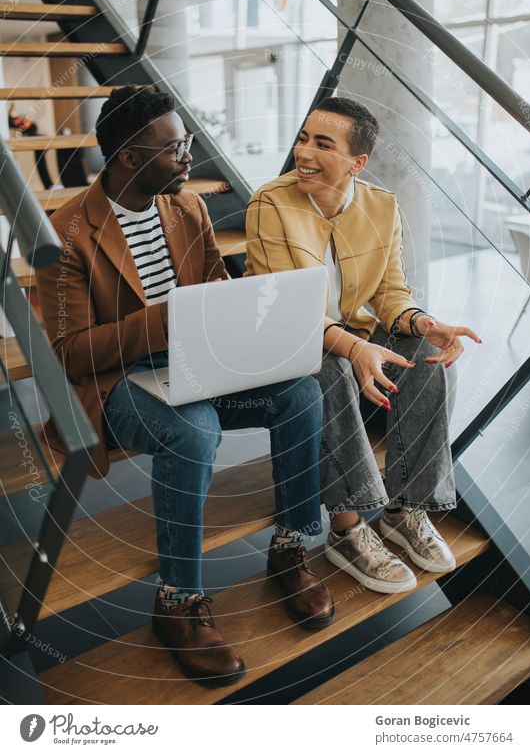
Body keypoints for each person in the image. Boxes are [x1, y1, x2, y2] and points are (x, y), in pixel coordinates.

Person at [36, 85, 334, 689]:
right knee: (194, 429)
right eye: (174, 148)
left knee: (302, 394)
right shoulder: (67, 233)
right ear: (128, 158)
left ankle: (290, 544)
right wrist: (164, 319)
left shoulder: (188, 209)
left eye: (187, 143)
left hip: (197, 363)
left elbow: (215, 290)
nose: (188, 157)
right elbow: (69, 354)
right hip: (119, 382)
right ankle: (177, 598)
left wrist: (250, 318)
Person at [245, 96, 481, 596]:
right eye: (303, 138)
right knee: (328, 371)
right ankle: (348, 527)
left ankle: (404, 510)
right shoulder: (270, 202)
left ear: (358, 162)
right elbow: (285, 308)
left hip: (354, 333)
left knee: (430, 362)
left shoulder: (381, 205)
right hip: (285, 339)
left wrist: (424, 323)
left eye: (322, 144)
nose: (304, 152)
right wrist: (353, 349)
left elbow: (391, 292)